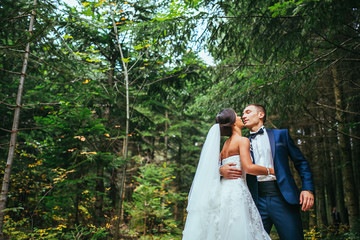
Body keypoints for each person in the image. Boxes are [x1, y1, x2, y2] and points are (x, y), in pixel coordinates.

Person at [220, 104, 314, 240]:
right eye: (242, 114)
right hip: (254, 201)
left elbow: (301, 163)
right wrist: (220, 170)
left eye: (248, 112)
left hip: (282, 198)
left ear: (260, 115)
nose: (244, 116)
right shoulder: (241, 142)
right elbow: (221, 161)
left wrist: (307, 189)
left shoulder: (281, 135)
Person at [182, 108, 271, 240]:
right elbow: (248, 167)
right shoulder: (242, 140)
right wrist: (270, 170)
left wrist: (220, 171)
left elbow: (211, 167)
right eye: (237, 116)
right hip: (237, 191)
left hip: (223, 191)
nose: (241, 117)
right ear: (234, 123)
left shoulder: (225, 145)